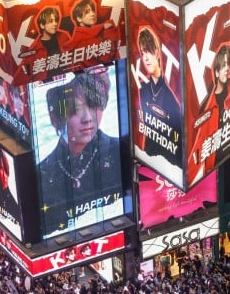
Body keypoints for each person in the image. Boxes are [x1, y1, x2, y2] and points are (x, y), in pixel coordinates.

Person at [36, 70, 123, 236]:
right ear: (54, 118)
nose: (88, 118)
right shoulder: (40, 175)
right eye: (76, 109)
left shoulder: (121, 152)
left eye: (94, 105)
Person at [135, 25, 181, 165]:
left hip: (171, 165)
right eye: (142, 52)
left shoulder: (172, 95)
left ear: (156, 52)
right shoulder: (142, 89)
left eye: (148, 51)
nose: (145, 58)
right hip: (148, 160)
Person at [187, 45, 230, 185]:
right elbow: (199, 144)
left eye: (228, 64)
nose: (227, 69)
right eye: (223, 65)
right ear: (216, 73)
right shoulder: (208, 106)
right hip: (215, 169)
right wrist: (187, 179)